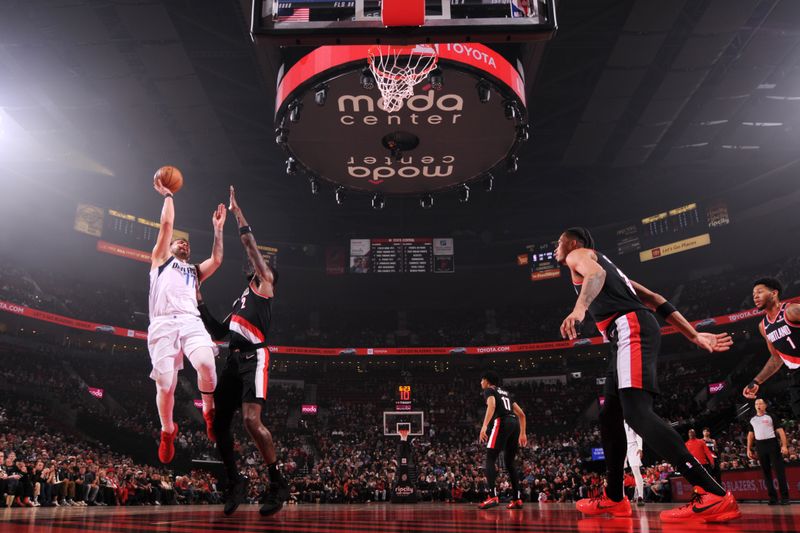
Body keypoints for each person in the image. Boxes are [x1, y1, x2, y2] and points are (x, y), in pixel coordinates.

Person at [553, 227, 740, 523]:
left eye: (558, 242)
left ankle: (711, 492)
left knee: (637, 414)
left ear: (574, 243)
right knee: (609, 415)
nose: (555, 249)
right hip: (624, 333)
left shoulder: (580, 256)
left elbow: (596, 276)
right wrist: (694, 336)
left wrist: (578, 310)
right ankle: (614, 498)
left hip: (629, 328)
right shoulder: (616, 272)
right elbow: (654, 298)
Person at [197, 186, 288, 517]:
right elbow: (219, 331)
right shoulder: (241, 299)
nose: (257, 265)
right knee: (219, 425)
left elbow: (250, 245)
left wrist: (236, 212)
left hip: (255, 358)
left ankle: (277, 482)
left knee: (251, 421)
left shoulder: (265, 284)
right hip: (233, 361)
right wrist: (199, 299)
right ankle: (235, 481)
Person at [148, 178, 226, 463]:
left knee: (206, 363)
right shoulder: (160, 260)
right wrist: (168, 196)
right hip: (163, 324)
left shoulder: (194, 271)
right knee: (165, 384)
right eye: (180, 242)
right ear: (170, 248)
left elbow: (216, 260)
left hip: (191, 322)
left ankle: (208, 411)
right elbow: (167, 227)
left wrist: (218, 229)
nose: (184, 244)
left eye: (187, 244)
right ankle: (168, 430)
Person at [743, 278, 800, 417]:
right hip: (796, 376)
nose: (755, 296)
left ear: (774, 293)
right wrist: (757, 381)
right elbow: (776, 358)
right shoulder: (763, 326)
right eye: (753, 294)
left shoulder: (792, 310)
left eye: (759, 292)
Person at [477, 370, 527, 510]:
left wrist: (484, 426)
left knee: (490, 458)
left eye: (482, 380)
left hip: (503, 422)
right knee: (510, 463)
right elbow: (522, 415)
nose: (481, 383)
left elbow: (492, 406)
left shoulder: (489, 391)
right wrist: (523, 433)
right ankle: (517, 500)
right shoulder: (506, 393)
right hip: (515, 424)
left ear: (487, 381)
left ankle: (492, 496)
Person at [747, 398, 790, 505]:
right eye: (756, 403)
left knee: (779, 471)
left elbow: (780, 431)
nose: (758, 405)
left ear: (765, 405)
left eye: (760, 403)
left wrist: (784, 445)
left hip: (772, 444)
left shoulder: (771, 416)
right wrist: (748, 448)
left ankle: (785, 498)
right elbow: (750, 434)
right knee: (766, 473)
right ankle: (773, 498)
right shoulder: (752, 419)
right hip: (760, 446)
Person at [623, 421, 644, 506]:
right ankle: (622, 497)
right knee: (620, 471)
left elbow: (639, 433)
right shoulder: (618, 420)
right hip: (622, 446)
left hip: (633, 445)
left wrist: (640, 447)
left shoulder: (632, 418)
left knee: (635, 470)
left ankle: (640, 496)